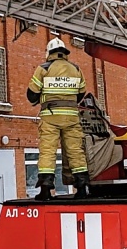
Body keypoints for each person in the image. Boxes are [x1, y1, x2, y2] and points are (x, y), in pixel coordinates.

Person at [27, 38, 89, 200]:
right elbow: (81, 93)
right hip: (71, 118)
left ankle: (46, 190)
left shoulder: (43, 69)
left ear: (49, 53)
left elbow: (31, 94)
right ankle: (82, 189)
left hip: (50, 117)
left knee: (48, 152)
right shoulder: (76, 69)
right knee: (76, 152)